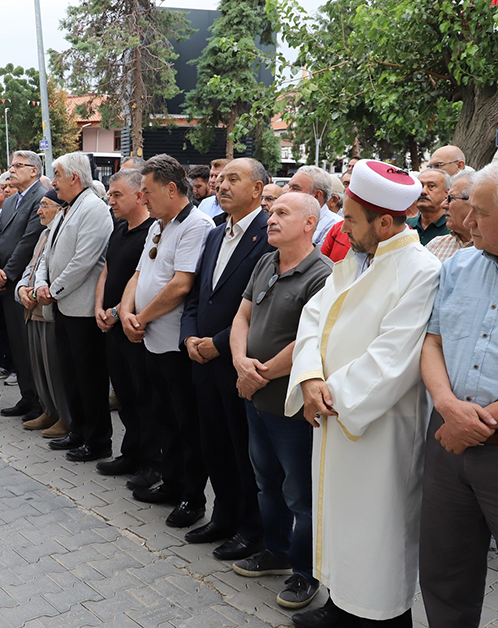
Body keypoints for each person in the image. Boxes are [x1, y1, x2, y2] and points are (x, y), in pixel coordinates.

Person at [285, 159, 441, 628]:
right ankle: (339, 607)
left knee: (377, 537)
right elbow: (314, 317)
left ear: (385, 222)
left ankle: (378, 619)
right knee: (339, 523)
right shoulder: (354, 259)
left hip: (377, 429)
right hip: (331, 414)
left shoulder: (421, 271)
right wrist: (310, 376)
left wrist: (330, 396)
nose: (343, 226)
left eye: (350, 218)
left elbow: (395, 358)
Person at [419, 157, 498, 628]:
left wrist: (478, 424)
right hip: (447, 444)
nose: (466, 222)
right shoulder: (460, 266)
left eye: (479, 214)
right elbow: (432, 341)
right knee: (443, 574)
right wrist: (449, 409)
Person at [228, 192, 332, 610]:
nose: (271, 218)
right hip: (254, 396)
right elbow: (242, 317)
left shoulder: (322, 274)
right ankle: (275, 550)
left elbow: (311, 341)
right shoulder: (266, 261)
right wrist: (240, 363)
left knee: (300, 494)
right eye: (271, 212)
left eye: (282, 213)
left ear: (310, 223)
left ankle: (305, 575)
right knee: (266, 481)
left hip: (289, 406)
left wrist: (261, 374)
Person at [180, 158, 270, 552]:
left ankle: (251, 530)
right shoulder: (216, 233)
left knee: (242, 451)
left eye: (234, 179)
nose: (221, 184)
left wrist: (216, 343)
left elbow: (257, 308)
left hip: (234, 360)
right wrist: (188, 337)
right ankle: (223, 517)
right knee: (213, 444)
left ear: (258, 189)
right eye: (221, 178)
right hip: (201, 358)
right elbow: (199, 294)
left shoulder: (268, 236)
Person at [120, 154, 214, 526]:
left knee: (185, 423)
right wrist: (125, 311)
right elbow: (139, 273)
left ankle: (192, 496)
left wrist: (139, 317)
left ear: (172, 189)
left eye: (147, 191)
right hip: (150, 337)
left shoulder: (196, 225)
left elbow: (180, 284)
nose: (142, 198)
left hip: (175, 343)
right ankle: (171, 481)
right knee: (162, 417)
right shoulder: (160, 225)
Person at [34, 152, 114, 462]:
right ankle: (78, 430)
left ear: (74, 179)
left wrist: (52, 290)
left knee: (89, 379)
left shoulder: (93, 209)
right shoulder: (67, 209)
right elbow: (47, 254)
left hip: (81, 310)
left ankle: (97, 441)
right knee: (70, 375)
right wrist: (41, 282)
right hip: (64, 308)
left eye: (57, 176)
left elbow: (84, 261)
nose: (53, 183)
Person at [93, 168, 159, 487]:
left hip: (135, 326)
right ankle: (130, 451)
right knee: (124, 394)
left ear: (138, 195)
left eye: (117, 194)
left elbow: (142, 279)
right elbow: (106, 272)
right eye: (109, 193)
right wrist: (98, 309)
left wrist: (118, 312)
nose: (111, 199)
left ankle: (152, 461)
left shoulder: (150, 233)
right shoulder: (119, 229)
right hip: (111, 325)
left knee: (143, 395)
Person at [0, 151, 48, 422]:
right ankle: (27, 396)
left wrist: (8, 273)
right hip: (3, 280)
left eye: (18, 166)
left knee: (29, 346)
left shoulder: (41, 197)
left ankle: (40, 401)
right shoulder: (11, 201)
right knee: (16, 344)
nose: (11, 170)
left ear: (34, 171)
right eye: (11, 165)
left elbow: (29, 241)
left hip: (22, 281)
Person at [16, 189, 74, 435]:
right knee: (39, 365)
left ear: (60, 209)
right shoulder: (44, 234)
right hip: (33, 307)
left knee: (54, 367)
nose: (39, 211)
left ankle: (64, 416)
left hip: (50, 307)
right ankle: (49, 410)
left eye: (45, 205)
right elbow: (32, 265)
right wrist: (21, 289)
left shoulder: (63, 234)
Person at [425, 170, 474, 262]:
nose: (443, 205)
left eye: (450, 198)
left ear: (473, 202)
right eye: (446, 198)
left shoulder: (494, 249)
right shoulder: (436, 245)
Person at [287, 166, 342, 246]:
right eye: (289, 187)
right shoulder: (288, 219)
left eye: (295, 188)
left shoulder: (335, 226)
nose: (288, 193)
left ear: (316, 195)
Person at [408, 168, 451, 245]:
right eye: (420, 186)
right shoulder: (406, 226)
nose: (423, 191)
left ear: (447, 193)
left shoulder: (452, 228)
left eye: (431, 186)